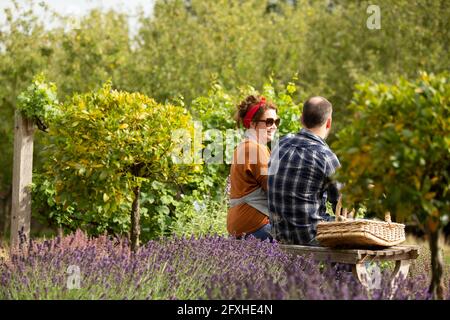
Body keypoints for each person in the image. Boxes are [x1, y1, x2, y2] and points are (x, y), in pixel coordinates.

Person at [267, 96, 340, 245]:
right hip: (312, 238)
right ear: (329, 123)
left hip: (279, 236)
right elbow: (342, 206)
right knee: (365, 254)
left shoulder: (279, 145)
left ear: (301, 119)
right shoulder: (326, 156)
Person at [227, 95, 280, 241]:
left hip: (241, 225)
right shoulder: (255, 149)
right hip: (256, 226)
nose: (274, 126)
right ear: (252, 123)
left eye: (276, 121)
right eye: (269, 122)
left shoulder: (244, 146)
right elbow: (275, 190)